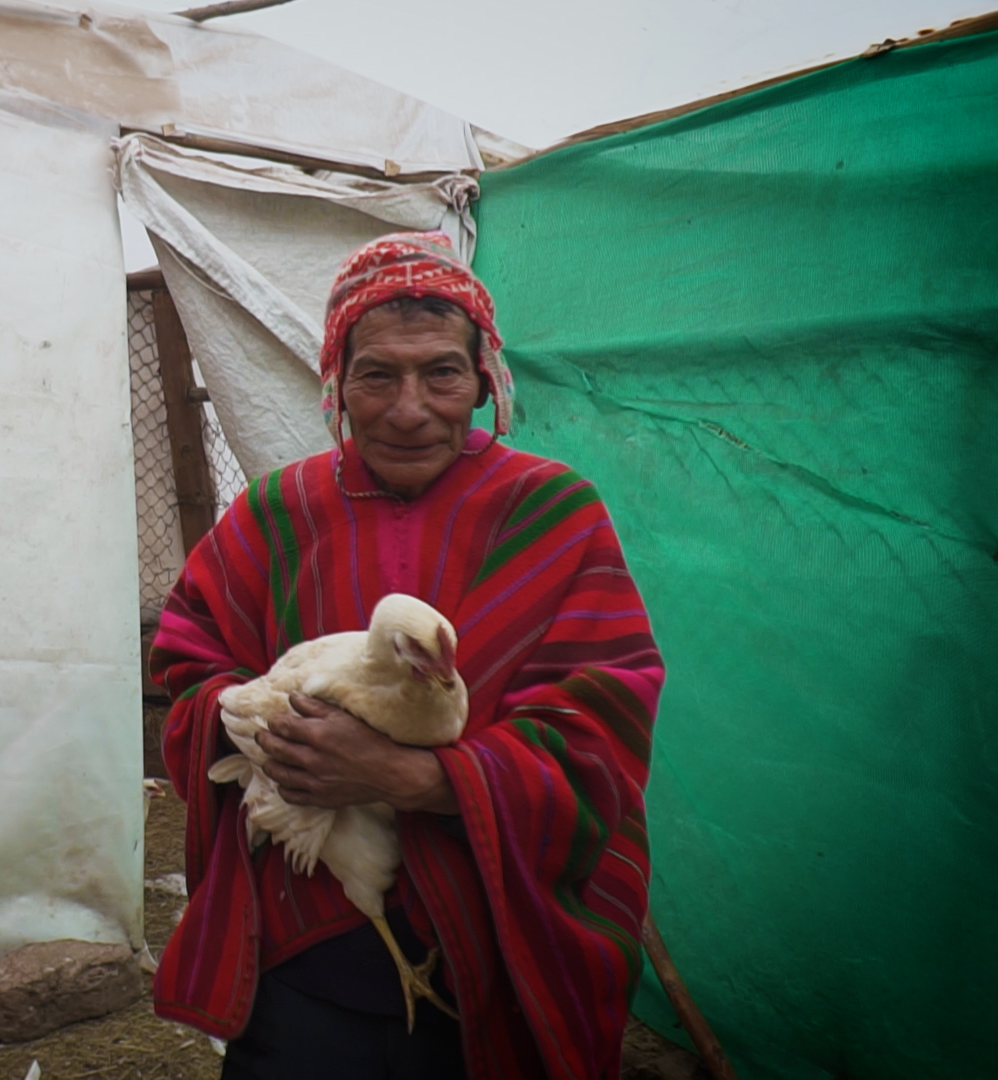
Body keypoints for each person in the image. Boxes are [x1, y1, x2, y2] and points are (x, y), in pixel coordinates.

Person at [150, 233, 662, 1078]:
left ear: (484, 379)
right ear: (336, 382)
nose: (409, 408)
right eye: (377, 374)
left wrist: (415, 779)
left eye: (442, 373)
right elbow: (188, 662)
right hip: (302, 949)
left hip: (501, 944)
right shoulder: (277, 515)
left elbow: (602, 721)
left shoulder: (551, 514)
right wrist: (266, 733)